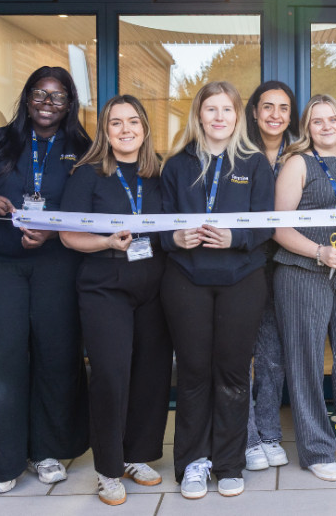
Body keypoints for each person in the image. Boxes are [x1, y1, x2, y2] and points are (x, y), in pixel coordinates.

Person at [0, 66, 91, 494]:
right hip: (0, 266)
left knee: (56, 358)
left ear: (70, 104)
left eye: (58, 97)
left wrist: (55, 230)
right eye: (40, 93)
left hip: (58, 265)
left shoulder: (81, 146)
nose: (47, 103)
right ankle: (2, 462)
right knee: (3, 362)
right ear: (27, 96)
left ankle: (47, 451)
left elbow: (91, 206)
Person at [161, 81, 275, 499]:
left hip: (241, 280)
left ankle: (228, 463)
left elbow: (266, 224)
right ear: (199, 115)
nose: (219, 117)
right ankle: (193, 463)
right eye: (211, 109)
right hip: (186, 280)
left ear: (237, 116)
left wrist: (236, 238)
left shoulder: (255, 163)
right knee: (192, 374)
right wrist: (175, 240)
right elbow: (158, 227)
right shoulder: (176, 165)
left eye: (227, 109)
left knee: (231, 374)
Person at [59, 95, 173, 506]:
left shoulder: (159, 171)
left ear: (144, 127)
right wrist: (107, 240)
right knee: (110, 374)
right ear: (105, 132)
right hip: (104, 282)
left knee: (151, 372)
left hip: (154, 284)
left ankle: (137, 456)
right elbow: (69, 235)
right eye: (116, 124)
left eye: (133, 122)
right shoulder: (87, 174)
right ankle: (108, 469)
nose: (126, 130)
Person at [273, 94, 336, 482]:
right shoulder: (297, 163)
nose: (327, 126)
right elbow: (279, 227)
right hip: (302, 270)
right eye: (318, 121)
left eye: (333, 119)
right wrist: (318, 252)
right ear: (307, 128)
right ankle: (316, 449)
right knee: (306, 362)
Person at [243, 81, 298, 471]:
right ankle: (245, 438)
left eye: (282, 108)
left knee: (273, 355)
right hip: (244, 262)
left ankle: (269, 432)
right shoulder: (237, 153)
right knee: (237, 354)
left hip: (287, 262)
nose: (275, 115)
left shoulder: (301, 154)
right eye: (267, 107)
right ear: (254, 112)